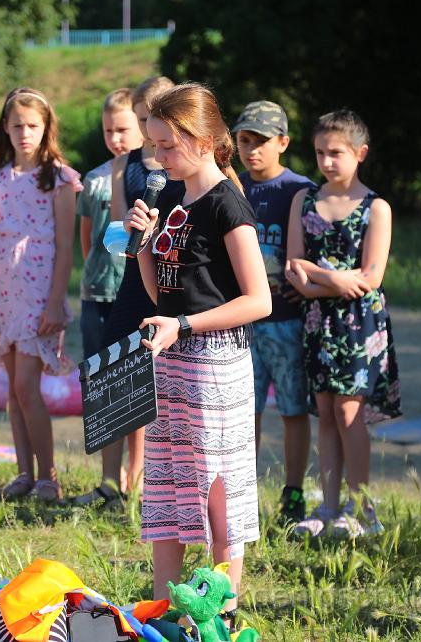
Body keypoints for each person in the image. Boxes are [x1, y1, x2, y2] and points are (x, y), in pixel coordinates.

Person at [124, 82, 270, 631]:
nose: (157, 158)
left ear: (204, 141)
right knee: (167, 485)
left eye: (167, 145)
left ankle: (220, 615)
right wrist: (143, 245)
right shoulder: (170, 199)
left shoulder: (227, 204)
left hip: (214, 365)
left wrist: (183, 325)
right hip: (171, 355)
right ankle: (164, 614)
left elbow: (259, 300)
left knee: (216, 492)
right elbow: (162, 294)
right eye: (154, 145)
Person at [284, 110, 402, 539]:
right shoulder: (304, 200)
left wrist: (318, 279)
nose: (327, 161)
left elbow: (371, 278)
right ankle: (329, 505)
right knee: (326, 413)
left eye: (336, 153)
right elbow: (294, 268)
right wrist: (333, 280)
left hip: (358, 324)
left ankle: (361, 506)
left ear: (360, 153)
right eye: (320, 153)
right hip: (319, 321)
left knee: (349, 412)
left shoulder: (376, 207)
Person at [0, 87, 81, 503]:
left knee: (26, 385)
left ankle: (48, 477)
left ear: (46, 128)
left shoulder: (59, 179)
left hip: (39, 295)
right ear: (5, 126)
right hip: (5, 293)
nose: (25, 133)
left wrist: (56, 300)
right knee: (13, 390)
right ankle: (23, 473)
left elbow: (65, 244)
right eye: (17, 125)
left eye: (33, 126)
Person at [89, 76, 181, 503]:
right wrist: (130, 231)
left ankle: (142, 484)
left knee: (157, 385)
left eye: (154, 119)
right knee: (112, 374)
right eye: (142, 119)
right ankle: (109, 483)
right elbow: (116, 229)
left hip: (172, 282)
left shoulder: (182, 165)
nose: (147, 129)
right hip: (131, 279)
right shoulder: (123, 164)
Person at [232, 100, 316, 525]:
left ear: (283, 142)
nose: (252, 150)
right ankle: (241, 493)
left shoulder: (300, 189)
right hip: (242, 321)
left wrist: (309, 286)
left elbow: (319, 246)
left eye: (261, 141)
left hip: (285, 319)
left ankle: (294, 491)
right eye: (244, 141)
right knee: (242, 410)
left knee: (292, 408)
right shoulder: (232, 184)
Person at [70, 87, 144, 511]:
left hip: (135, 296)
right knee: (103, 387)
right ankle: (108, 482)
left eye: (123, 129)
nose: (115, 138)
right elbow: (87, 241)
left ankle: (137, 479)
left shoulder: (153, 174)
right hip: (97, 293)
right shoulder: (95, 179)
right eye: (108, 131)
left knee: (137, 387)